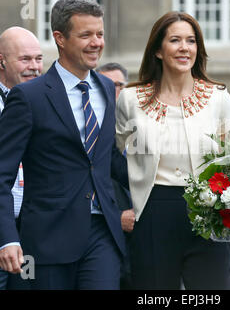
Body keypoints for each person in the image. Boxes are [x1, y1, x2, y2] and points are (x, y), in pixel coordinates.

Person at [0, 0, 128, 290]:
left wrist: (167, 181)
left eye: (99, 34)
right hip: (47, 241)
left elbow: (108, 158)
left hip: (102, 234)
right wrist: (7, 238)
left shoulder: (104, 87)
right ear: (60, 39)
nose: (96, 42)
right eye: (85, 35)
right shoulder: (29, 97)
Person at [115, 11, 230, 289]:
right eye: (175, 40)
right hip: (152, 213)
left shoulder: (219, 98)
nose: (185, 48)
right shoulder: (130, 100)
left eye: (191, 41)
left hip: (208, 213)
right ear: (158, 50)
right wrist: (119, 208)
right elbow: (112, 156)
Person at [0, 26, 43, 290]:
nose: (35, 67)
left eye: (38, 59)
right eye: (25, 59)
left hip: (36, 236)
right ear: (0, 61)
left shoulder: (53, 105)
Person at [97, 62, 134, 290]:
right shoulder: (90, 135)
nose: (113, 91)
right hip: (105, 244)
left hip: (145, 248)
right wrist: (115, 217)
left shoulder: (145, 129)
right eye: (105, 85)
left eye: (118, 85)